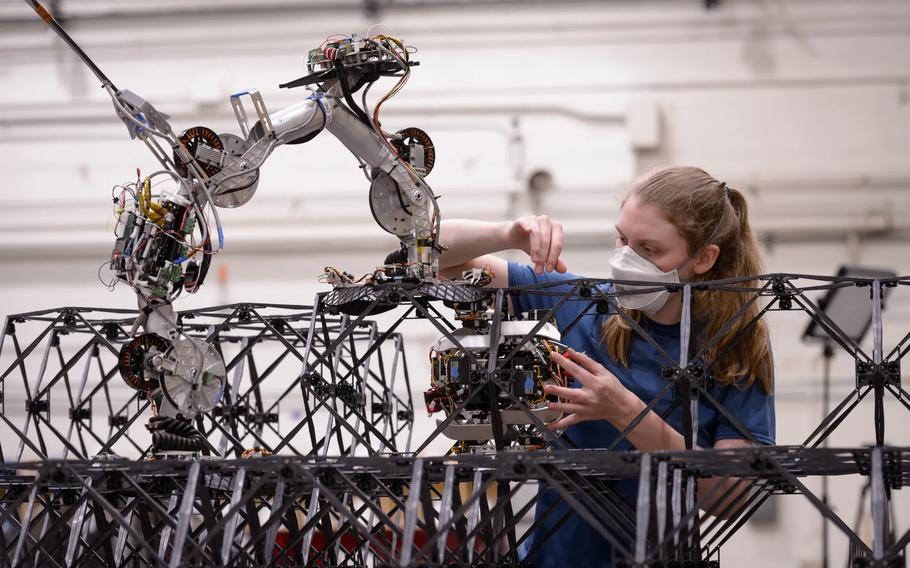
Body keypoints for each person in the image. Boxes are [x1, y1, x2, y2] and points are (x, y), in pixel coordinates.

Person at [438, 165, 775, 568]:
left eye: (649, 250)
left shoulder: (735, 348)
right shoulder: (581, 304)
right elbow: (432, 257)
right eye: (622, 239)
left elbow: (734, 497)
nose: (626, 259)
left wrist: (625, 412)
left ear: (704, 258)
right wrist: (510, 234)